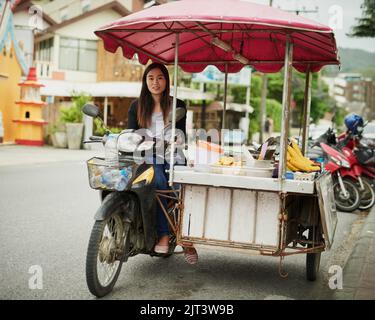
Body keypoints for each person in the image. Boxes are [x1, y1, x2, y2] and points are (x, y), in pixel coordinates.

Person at [127, 62, 198, 264]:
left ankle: (186, 239)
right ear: (145, 81)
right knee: (157, 185)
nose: (155, 82)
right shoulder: (136, 106)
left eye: (159, 78)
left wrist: (176, 139)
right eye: (150, 78)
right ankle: (164, 235)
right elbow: (131, 134)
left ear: (166, 80)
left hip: (172, 155)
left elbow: (182, 134)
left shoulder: (178, 105)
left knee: (179, 188)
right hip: (147, 156)